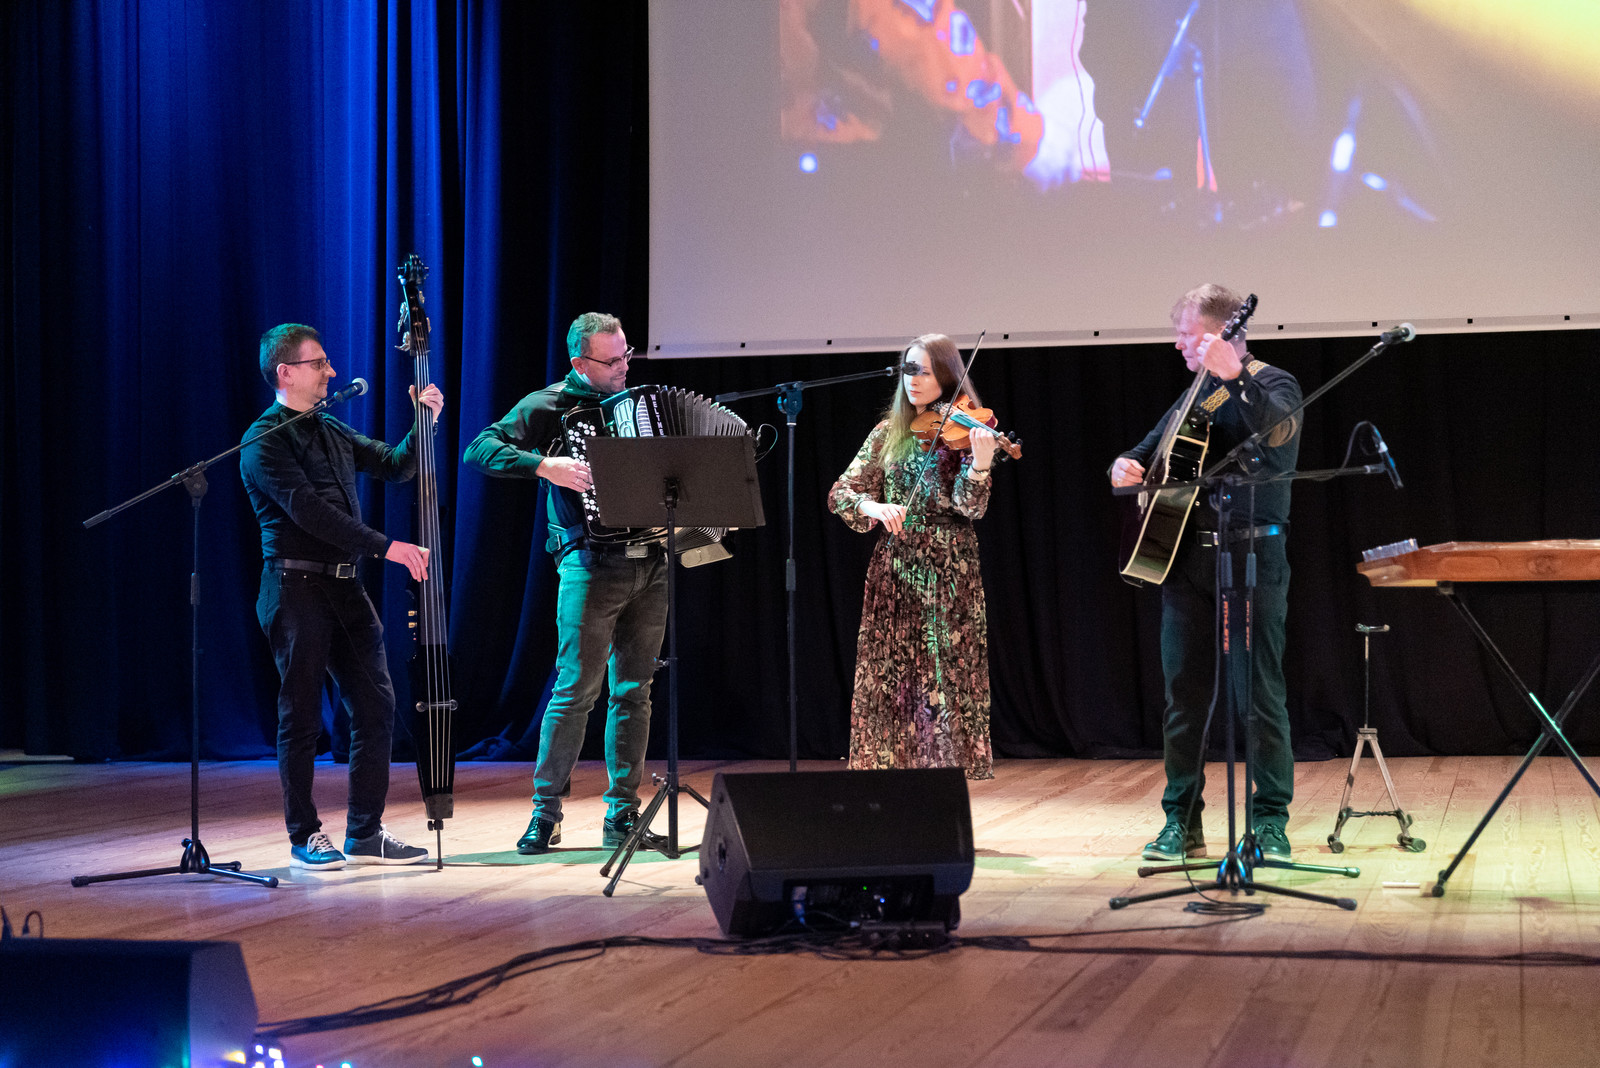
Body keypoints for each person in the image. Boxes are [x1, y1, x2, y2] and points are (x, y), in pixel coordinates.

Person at [462, 312, 669, 855]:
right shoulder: (550, 404)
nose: (624, 366)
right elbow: (480, 448)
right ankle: (545, 812)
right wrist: (543, 465)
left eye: (626, 355)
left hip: (652, 563)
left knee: (634, 692)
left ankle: (623, 814)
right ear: (580, 362)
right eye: (612, 360)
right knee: (575, 689)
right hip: (590, 564)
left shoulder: (641, 404)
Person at [1109, 283, 1302, 862]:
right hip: (1187, 563)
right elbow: (1146, 450)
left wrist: (1236, 376)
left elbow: (1278, 440)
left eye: (1186, 334)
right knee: (1183, 698)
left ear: (1221, 333)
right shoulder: (1193, 394)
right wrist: (1125, 465)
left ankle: (1269, 823)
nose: (1177, 345)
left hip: (1252, 558)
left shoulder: (1274, 382)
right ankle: (1181, 822)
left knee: (1258, 696)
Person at [240, 323, 443, 871]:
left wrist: (422, 422)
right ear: (285, 373)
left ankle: (365, 832)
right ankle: (304, 834)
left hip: (343, 585)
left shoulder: (329, 427)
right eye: (319, 363)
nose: (331, 371)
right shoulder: (264, 441)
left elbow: (396, 465)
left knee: (376, 705)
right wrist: (387, 546)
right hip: (294, 588)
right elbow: (311, 513)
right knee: (301, 715)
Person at [828, 334, 999, 779]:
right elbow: (841, 492)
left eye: (924, 371)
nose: (914, 380)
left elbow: (970, 508)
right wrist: (872, 506)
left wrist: (980, 466)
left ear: (946, 376)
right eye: (908, 370)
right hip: (895, 568)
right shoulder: (888, 432)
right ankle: (892, 788)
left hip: (949, 569)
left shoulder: (966, 431)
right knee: (892, 678)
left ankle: (941, 788)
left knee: (944, 676)